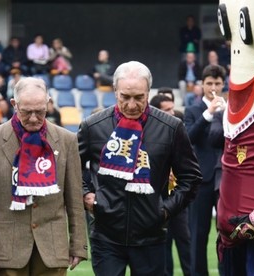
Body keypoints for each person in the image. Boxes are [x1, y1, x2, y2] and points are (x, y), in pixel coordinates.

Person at [78, 61, 202, 275]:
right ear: (115, 91)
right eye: (125, 97)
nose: (132, 105)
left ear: (148, 92)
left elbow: (190, 178)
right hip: (106, 236)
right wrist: (86, 195)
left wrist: (165, 210)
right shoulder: (93, 126)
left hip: (151, 237)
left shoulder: (171, 128)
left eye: (139, 97)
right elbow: (72, 167)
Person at [0, 77, 88, 275]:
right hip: (6, 250)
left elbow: (74, 198)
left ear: (48, 103)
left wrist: (78, 244)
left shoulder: (67, 140)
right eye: (27, 112)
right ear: (14, 105)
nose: (34, 118)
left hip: (52, 250)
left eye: (40, 111)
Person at [183, 64, 227, 276]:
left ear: (223, 84)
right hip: (202, 179)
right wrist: (209, 114)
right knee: (198, 234)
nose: (213, 88)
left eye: (217, 83)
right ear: (202, 84)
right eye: (209, 83)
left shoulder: (231, 110)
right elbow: (189, 138)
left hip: (226, 179)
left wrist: (226, 114)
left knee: (226, 233)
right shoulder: (192, 111)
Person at [148, 93, 191, 276]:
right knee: (162, 245)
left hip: (177, 198)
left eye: (173, 108)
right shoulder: (148, 133)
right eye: (168, 110)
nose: (173, 113)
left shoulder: (179, 128)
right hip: (157, 200)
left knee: (185, 241)